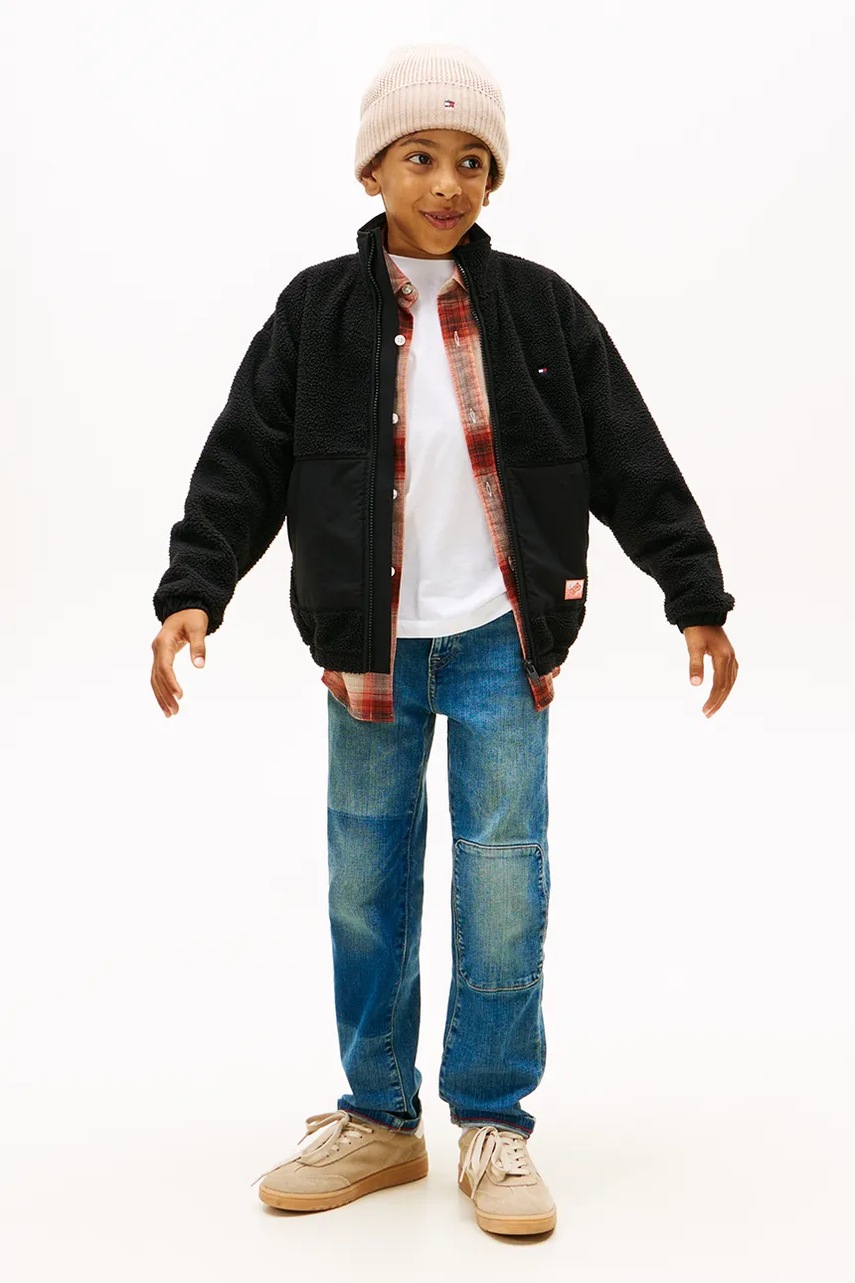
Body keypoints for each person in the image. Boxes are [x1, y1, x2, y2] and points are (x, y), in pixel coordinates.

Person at [150, 42, 738, 1238]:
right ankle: (377, 1115)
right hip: (366, 649)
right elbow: (246, 457)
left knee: (504, 876)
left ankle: (493, 1120)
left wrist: (695, 593)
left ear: (493, 181)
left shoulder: (540, 307)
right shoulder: (317, 311)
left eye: (473, 161)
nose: (447, 182)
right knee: (365, 882)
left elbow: (628, 452)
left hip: (499, 643)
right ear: (372, 170)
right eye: (420, 155)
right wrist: (194, 585)